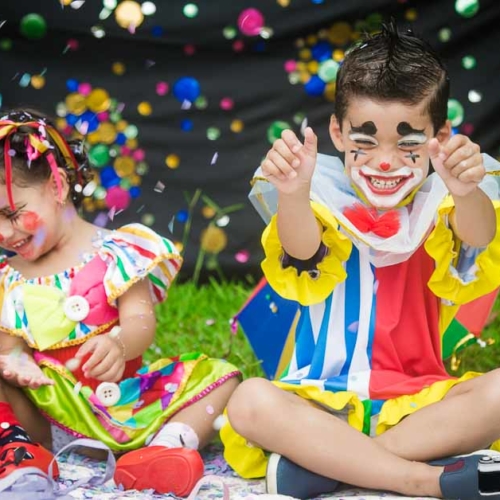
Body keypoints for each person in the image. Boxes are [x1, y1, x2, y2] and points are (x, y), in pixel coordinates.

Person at [222, 21, 500, 500]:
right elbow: (303, 253)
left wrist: (466, 190)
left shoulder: (445, 201)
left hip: (419, 403)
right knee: (248, 400)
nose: (385, 161)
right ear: (337, 131)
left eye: (408, 142)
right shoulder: (320, 196)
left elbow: (476, 240)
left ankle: (333, 464)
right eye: (366, 141)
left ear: (441, 135)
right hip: (318, 399)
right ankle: (424, 480)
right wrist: (291, 195)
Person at [0, 109, 240, 496]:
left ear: (58, 185)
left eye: (12, 213)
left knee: (222, 376)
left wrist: (120, 343)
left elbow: (141, 322)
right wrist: (17, 363)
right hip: (48, 421)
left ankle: (167, 448)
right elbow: (8, 350)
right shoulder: (8, 278)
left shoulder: (116, 252)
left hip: (128, 405)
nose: (3, 232)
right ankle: (21, 455)